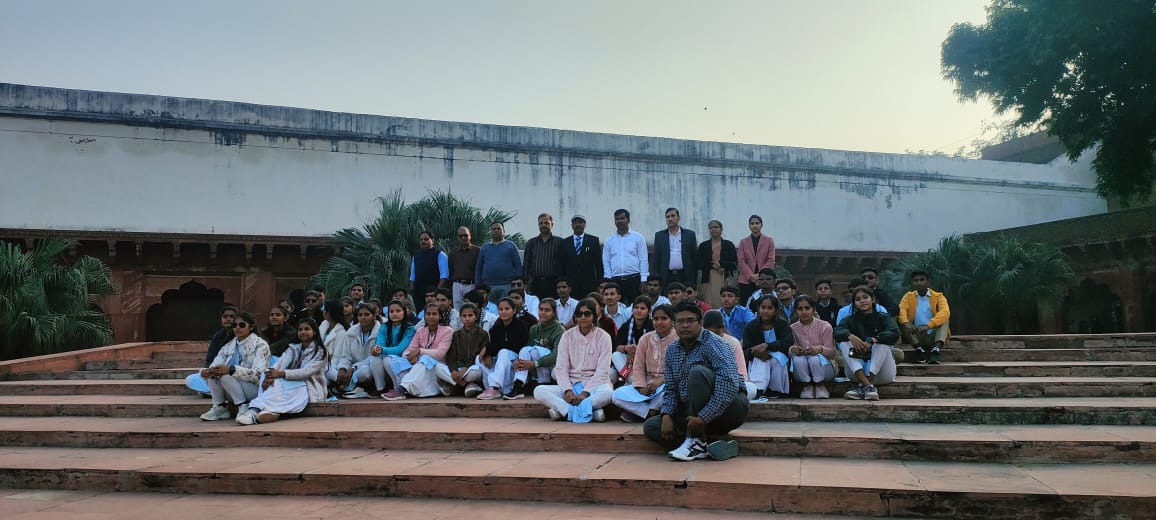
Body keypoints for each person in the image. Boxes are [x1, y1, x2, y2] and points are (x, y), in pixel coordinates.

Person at [645, 302, 748, 461]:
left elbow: (729, 385)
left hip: (728, 408)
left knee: (698, 372)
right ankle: (708, 445)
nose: (685, 325)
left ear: (700, 323)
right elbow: (671, 388)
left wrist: (703, 418)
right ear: (674, 324)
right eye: (680, 321)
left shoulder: (715, 343)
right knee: (651, 426)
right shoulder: (672, 350)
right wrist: (667, 414)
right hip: (692, 412)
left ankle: (695, 440)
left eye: (690, 321)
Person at [532, 299, 614, 422]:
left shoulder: (604, 337)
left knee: (608, 393)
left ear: (594, 316)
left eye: (587, 314)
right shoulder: (567, 336)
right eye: (579, 314)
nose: (583, 317)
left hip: (594, 385)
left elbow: (602, 371)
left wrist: (585, 393)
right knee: (539, 391)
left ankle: (564, 411)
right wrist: (567, 390)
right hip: (571, 383)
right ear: (575, 317)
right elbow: (561, 368)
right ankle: (586, 411)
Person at [236, 319, 328, 425]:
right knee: (267, 376)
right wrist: (269, 376)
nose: (303, 332)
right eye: (300, 329)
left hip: (309, 387)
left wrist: (281, 374)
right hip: (291, 383)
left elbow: (305, 372)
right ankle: (270, 411)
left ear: (314, 332)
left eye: (307, 329)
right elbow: (279, 364)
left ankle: (253, 412)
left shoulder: (320, 351)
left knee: (279, 382)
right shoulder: (294, 348)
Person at [198, 312, 271, 421]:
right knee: (213, 375)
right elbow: (215, 365)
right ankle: (220, 407)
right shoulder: (228, 345)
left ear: (251, 327)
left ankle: (243, 405)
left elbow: (258, 375)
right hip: (231, 388)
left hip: (253, 388)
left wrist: (232, 370)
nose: (237, 328)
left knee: (225, 376)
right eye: (234, 325)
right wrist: (207, 371)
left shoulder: (260, 345)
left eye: (242, 325)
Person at [613, 303, 677, 422]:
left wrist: (660, 381)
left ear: (672, 321)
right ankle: (649, 413)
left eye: (664, 318)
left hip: (666, 384)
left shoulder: (678, 339)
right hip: (646, 385)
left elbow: (679, 369)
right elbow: (638, 367)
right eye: (656, 319)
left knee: (672, 389)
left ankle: (643, 411)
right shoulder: (645, 339)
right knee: (616, 395)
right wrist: (640, 386)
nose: (659, 322)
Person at [835, 287, 899, 401]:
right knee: (845, 342)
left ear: (872, 299)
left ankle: (863, 386)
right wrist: (850, 336)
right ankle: (868, 386)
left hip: (882, 374)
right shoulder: (849, 319)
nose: (862, 301)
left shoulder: (883, 317)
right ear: (854, 303)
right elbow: (837, 331)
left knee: (882, 343)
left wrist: (874, 340)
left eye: (865, 297)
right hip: (857, 374)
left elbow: (894, 333)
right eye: (858, 299)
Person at [382, 304, 454, 400]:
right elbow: (408, 351)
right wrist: (411, 357)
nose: (431, 317)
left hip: (438, 366)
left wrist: (420, 351)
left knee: (425, 358)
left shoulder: (447, 331)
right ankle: (402, 387)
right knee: (389, 359)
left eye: (434, 314)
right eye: (428, 314)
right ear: (424, 316)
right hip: (420, 365)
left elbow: (440, 354)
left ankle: (401, 389)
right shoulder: (421, 331)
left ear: (440, 316)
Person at [474, 298, 529, 400]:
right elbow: (492, 343)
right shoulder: (498, 325)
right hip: (502, 362)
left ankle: (495, 387)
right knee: (479, 358)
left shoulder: (521, 325)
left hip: (516, 360)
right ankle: (495, 387)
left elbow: (513, 345)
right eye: (501, 309)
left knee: (503, 352)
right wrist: (487, 353)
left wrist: (488, 349)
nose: (503, 312)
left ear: (514, 311)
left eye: (507, 309)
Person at [742, 295, 795, 399]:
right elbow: (745, 349)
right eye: (763, 307)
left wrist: (767, 345)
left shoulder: (782, 324)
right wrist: (754, 352)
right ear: (758, 309)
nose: (766, 311)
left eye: (770, 308)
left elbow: (787, 343)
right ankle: (758, 390)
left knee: (776, 359)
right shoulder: (751, 326)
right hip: (758, 358)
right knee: (761, 360)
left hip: (779, 357)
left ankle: (776, 391)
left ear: (776, 310)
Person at [328, 303, 385, 398]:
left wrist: (354, 368)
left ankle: (351, 387)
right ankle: (345, 386)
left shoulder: (380, 332)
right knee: (327, 368)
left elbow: (374, 357)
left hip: (369, 368)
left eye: (367, 314)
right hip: (351, 369)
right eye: (360, 315)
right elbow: (346, 355)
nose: (363, 317)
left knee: (364, 373)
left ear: (374, 316)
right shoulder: (351, 332)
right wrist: (343, 368)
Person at [512, 298, 565, 396]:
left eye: (547, 310)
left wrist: (535, 363)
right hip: (536, 365)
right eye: (541, 309)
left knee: (536, 351)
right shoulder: (534, 328)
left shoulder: (560, 330)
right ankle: (518, 384)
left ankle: (544, 382)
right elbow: (528, 347)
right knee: (525, 350)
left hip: (554, 366)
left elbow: (556, 356)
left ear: (554, 313)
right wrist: (518, 360)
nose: (543, 312)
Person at [898, 270, 951, 364]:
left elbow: (945, 312)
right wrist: (906, 323)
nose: (919, 283)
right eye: (916, 280)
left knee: (945, 319)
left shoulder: (938, 296)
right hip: (917, 335)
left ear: (928, 282)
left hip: (934, 335)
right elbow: (901, 310)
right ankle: (919, 350)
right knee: (902, 321)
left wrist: (928, 326)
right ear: (912, 282)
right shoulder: (908, 297)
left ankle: (936, 350)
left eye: (922, 280)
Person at [789, 295, 837, 399]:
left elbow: (832, 353)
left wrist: (819, 349)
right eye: (800, 309)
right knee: (798, 359)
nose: (804, 312)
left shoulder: (825, 326)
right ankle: (807, 386)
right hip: (802, 370)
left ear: (813, 309)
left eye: (807, 308)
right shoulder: (792, 328)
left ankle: (820, 386)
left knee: (814, 358)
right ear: (795, 311)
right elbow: (789, 351)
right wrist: (793, 350)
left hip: (826, 369)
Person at [703, 310, 757, 401]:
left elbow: (742, 375)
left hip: (730, 386)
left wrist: (728, 385)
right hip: (707, 387)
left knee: (751, 388)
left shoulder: (733, 342)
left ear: (723, 328)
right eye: (710, 334)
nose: (713, 338)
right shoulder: (699, 342)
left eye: (716, 333)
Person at [186, 305, 239, 396]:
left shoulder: (241, 335)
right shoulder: (218, 336)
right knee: (191, 379)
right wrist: (209, 371)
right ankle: (216, 393)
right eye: (225, 316)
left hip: (234, 372)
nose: (228, 319)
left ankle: (216, 393)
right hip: (217, 372)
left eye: (231, 316)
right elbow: (210, 358)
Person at [602, 209, 648, 304]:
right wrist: (608, 280)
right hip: (615, 280)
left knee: (635, 306)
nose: (619, 221)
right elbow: (606, 261)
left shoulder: (638, 237)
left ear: (628, 220)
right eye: (617, 219)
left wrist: (644, 279)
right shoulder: (609, 240)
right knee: (616, 306)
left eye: (622, 218)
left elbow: (643, 259)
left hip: (634, 279)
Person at [557, 214, 603, 299]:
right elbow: (561, 266)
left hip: (589, 285)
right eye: (575, 223)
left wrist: (599, 284)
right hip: (570, 285)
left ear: (585, 224)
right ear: (572, 225)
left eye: (580, 222)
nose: (577, 225)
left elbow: (598, 264)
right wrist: (562, 284)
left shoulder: (593, 241)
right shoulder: (564, 243)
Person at [446, 303, 487, 397]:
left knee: (475, 373)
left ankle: (455, 385)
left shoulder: (483, 334)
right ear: (460, 317)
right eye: (464, 316)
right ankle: (466, 385)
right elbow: (451, 355)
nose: (467, 318)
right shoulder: (456, 334)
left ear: (476, 317)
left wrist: (466, 368)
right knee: (438, 368)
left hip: (473, 368)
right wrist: (453, 370)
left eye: (470, 315)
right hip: (458, 368)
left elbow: (480, 356)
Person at [476, 221, 523, 302]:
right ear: (490, 232)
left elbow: (518, 265)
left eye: (498, 229)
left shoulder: (511, 246)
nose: (496, 231)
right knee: (490, 308)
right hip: (488, 286)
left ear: (504, 231)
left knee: (505, 307)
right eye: (493, 229)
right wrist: (478, 284)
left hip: (507, 285)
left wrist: (517, 284)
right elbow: (479, 267)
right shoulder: (484, 247)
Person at [696, 220, 738, 309]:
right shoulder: (703, 246)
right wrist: (712, 265)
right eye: (711, 228)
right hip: (708, 279)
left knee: (725, 302)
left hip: (725, 278)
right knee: (709, 304)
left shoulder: (728, 245)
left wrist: (722, 265)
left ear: (721, 229)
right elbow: (699, 264)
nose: (714, 229)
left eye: (716, 227)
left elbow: (734, 263)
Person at [652, 207, 697, 287]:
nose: (670, 219)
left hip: (685, 275)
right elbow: (656, 258)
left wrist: (694, 278)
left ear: (679, 218)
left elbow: (694, 258)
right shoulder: (659, 236)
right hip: (666, 275)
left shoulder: (690, 235)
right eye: (668, 217)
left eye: (673, 216)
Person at [612, 296, 654, 382]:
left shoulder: (653, 326)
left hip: (647, 360)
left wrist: (637, 352)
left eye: (642, 308)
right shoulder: (626, 326)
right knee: (615, 355)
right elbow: (616, 347)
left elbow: (655, 348)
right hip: (630, 362)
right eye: (636, 307)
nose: (639, 310)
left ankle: (633, 381)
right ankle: (630, 378)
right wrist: (627, 348)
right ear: (632, 309)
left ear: (649, 311)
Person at [523, 213, 564, 299]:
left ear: (552, 224)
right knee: (536, 306)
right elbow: (527, 264)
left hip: (553, 283)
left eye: (546, 223)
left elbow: (564, 263)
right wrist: (526, 282)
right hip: (536, 283)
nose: (543, 225)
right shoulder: (531, 243)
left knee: (552, 305)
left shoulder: (560, 242)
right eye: (541, 223)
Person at [737, 215, 775, 305]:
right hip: (746, 280)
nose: (755, 225)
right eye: (752, 223)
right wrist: (751, 276)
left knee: (766, 303)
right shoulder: (743, 242)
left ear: (761, 225)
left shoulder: (769, 240)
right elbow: (741, 260)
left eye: (757, 223)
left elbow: (771, 259)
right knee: (746, 304)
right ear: (749, 226)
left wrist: (760, 275)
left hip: (764, 279)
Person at [410, 230, 450, 304]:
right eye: (421, 239)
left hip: (434, 294)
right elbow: (412, 277)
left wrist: (437, 292)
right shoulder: (416, 255)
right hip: (418, 294)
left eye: (426, 239)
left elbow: (444, 276)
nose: (423, 241)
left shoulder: (440, 255)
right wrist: (413, 291)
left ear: (432, 241)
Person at [449, 226, 481, 309]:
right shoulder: (453, 252)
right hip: (457, 285)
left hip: (471, 284)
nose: (463, 237)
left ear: (470, 236)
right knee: (457, 310)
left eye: (466, 235)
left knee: (471, 308)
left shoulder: (477, 251)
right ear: (457, 237)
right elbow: (450, 270)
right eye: (461, 236)